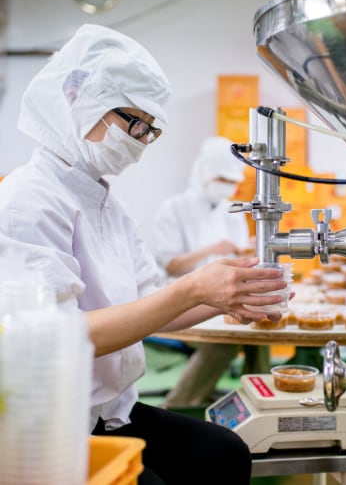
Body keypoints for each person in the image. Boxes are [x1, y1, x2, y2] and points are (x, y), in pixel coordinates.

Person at [0, 24, 287, 485]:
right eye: (133, 121)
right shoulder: (27, 200)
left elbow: (152, 300)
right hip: (54, 423)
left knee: (224, 453)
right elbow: (62, 336)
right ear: (79, 100)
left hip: (111, 410)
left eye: (149, 129)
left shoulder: (108, 205)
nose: (139, 139)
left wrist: (223, 299)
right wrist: (196, 287)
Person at [152, 136, 269, 408]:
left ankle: (259, 403)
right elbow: (171, 265)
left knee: (260, 331)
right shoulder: (175, 208)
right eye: (221, 179)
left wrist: (249, 252)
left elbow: (240, 256)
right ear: (204, 172)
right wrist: (211, 249)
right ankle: (180, 406)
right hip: (185, 302)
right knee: (225, 341)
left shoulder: (233, 211)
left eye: (232, 181)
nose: (227, 186)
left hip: (226, 298)